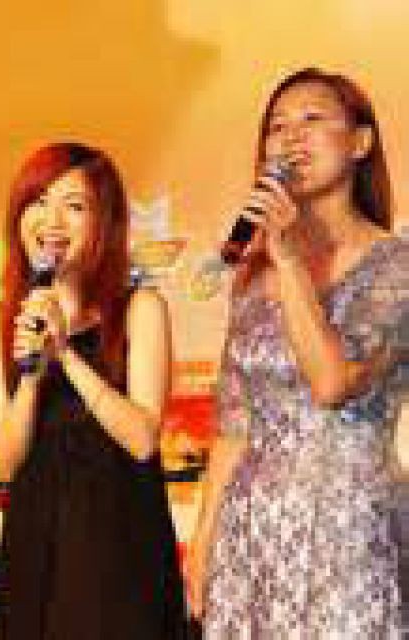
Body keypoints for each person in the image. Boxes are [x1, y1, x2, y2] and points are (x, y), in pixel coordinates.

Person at [186, 67, 408, 638]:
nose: (292, 137)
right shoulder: (251, 277)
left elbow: (333, 383)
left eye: (313, 119)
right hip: (252, 531)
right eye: (278, 126)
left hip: (349, 528)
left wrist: (286, 259)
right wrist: (204, 540)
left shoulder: (396, 267)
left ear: (361, 142)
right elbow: (234, 425)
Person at [0, 142, 190, 639]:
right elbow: (3, 462)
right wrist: (32, 374)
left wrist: (66, 354)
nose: (51, 220)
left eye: (74, 205)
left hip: (121, 545)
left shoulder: (140, 310)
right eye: (38, 201)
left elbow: (142, 439)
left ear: (103, 223)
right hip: (38, 546)